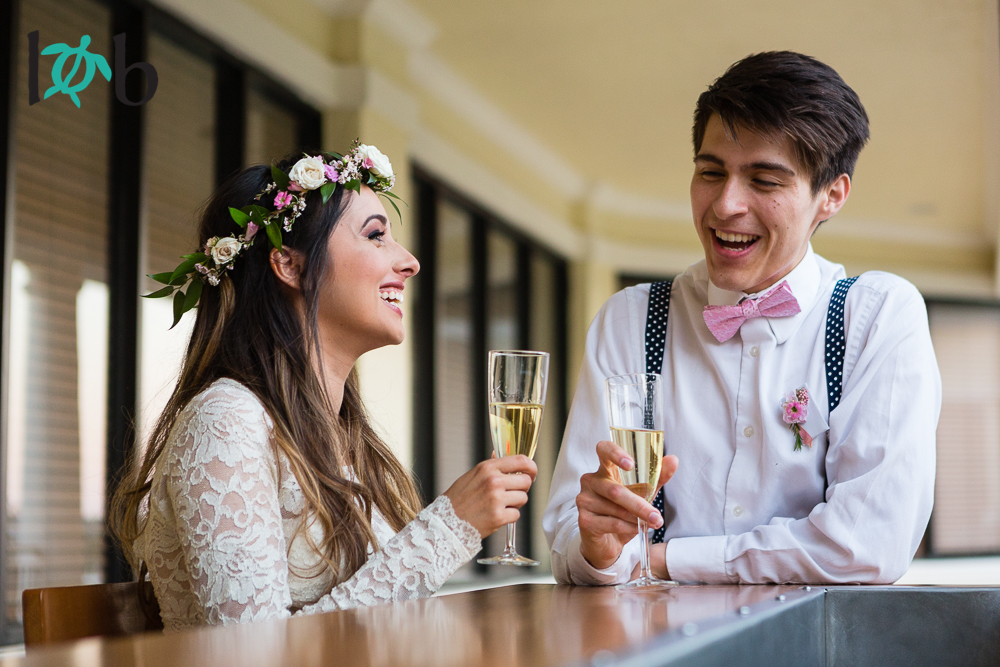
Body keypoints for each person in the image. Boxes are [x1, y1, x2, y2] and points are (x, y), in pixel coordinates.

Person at [543, 51, 941, 585]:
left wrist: (663, 560)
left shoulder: (875, 319)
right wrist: (598, 549)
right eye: (711, 172)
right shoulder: (630, 321)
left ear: (831, 195)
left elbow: (867, 545)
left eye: (765, 180)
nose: (725, 204)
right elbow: (568, 539)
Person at [112, 144, 536, 631]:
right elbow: (256, 652)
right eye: (375, 236)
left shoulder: (345, 437)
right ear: (290, 266)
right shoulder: (225, 420)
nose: (410, 262)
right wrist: (447, 528)